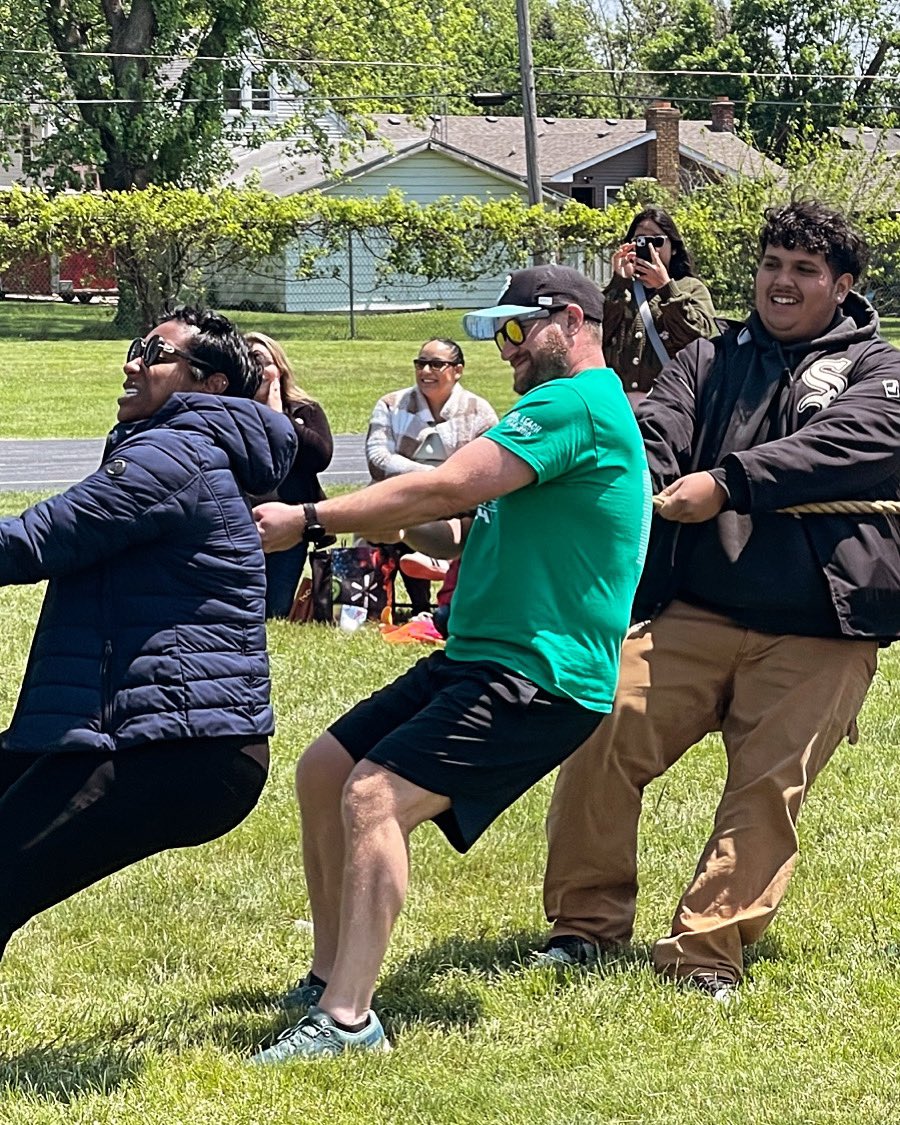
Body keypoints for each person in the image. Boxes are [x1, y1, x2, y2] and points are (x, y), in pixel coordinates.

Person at [249, 264, 651, 1060]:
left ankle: (349, 1021)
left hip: (540, 673)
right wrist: (394, 523)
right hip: (478, 655)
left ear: (571, 320)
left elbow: (443, 489)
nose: (505, 351)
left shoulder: (577, 402)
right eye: (496, 334)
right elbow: (460, 526)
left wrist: (311, 518)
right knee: (326, 769)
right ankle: (328, 975)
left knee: (375, 794)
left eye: (515, 331)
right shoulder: (561, 412)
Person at [540, 200, 900, 1000]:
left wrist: (729, 480)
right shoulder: (709, 355)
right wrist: (634, 469)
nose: (782, 281)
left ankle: (706, 951)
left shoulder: (882, 369)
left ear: (841, 285)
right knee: (602, 726)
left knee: (766, 785)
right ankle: (583, 928)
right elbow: (657, 425)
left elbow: (852, 443)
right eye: (773, 264)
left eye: (805, 270)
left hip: (822, 624)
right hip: (697, 610)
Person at [0, 307, 296, 962]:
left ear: (210, 384)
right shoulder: (180, 447)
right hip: (134, 729)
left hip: (179, 747)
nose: (132, 361)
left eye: (153, 352)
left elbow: (34, 541)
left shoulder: (175, 454)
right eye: (134, 347)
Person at [365, 338, 498, 615]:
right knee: (382, 507)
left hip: (456, 504)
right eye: (421, 363)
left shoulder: (479, 411)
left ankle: (435, 575)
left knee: (471, 518)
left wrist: (444, 487)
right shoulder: (390, 404)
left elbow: (487, 469)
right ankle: (375, 603)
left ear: (457, 370)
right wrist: (434, 478)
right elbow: (377, 461)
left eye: (436, 364)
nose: (426, 371)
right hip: (400, 496)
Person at [245, 331, 334, 619]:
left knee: (275, 610)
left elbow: (320, 458)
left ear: (279, 368)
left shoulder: (304, 410)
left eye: (262, 361)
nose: (257, 369)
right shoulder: (230, 412)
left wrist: (279, 420)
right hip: (240, 522)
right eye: (248, 361)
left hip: (289, 523)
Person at [603, 206, 717, 406]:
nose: (649, 248)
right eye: (640, 240)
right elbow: (597, 336)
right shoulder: (620, 290)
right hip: (619, 406)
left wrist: (666, 289)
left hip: (670, 404)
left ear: (673, 247)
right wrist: (618, 283)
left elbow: (704, 340)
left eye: (657, 241)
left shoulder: (691, 288)